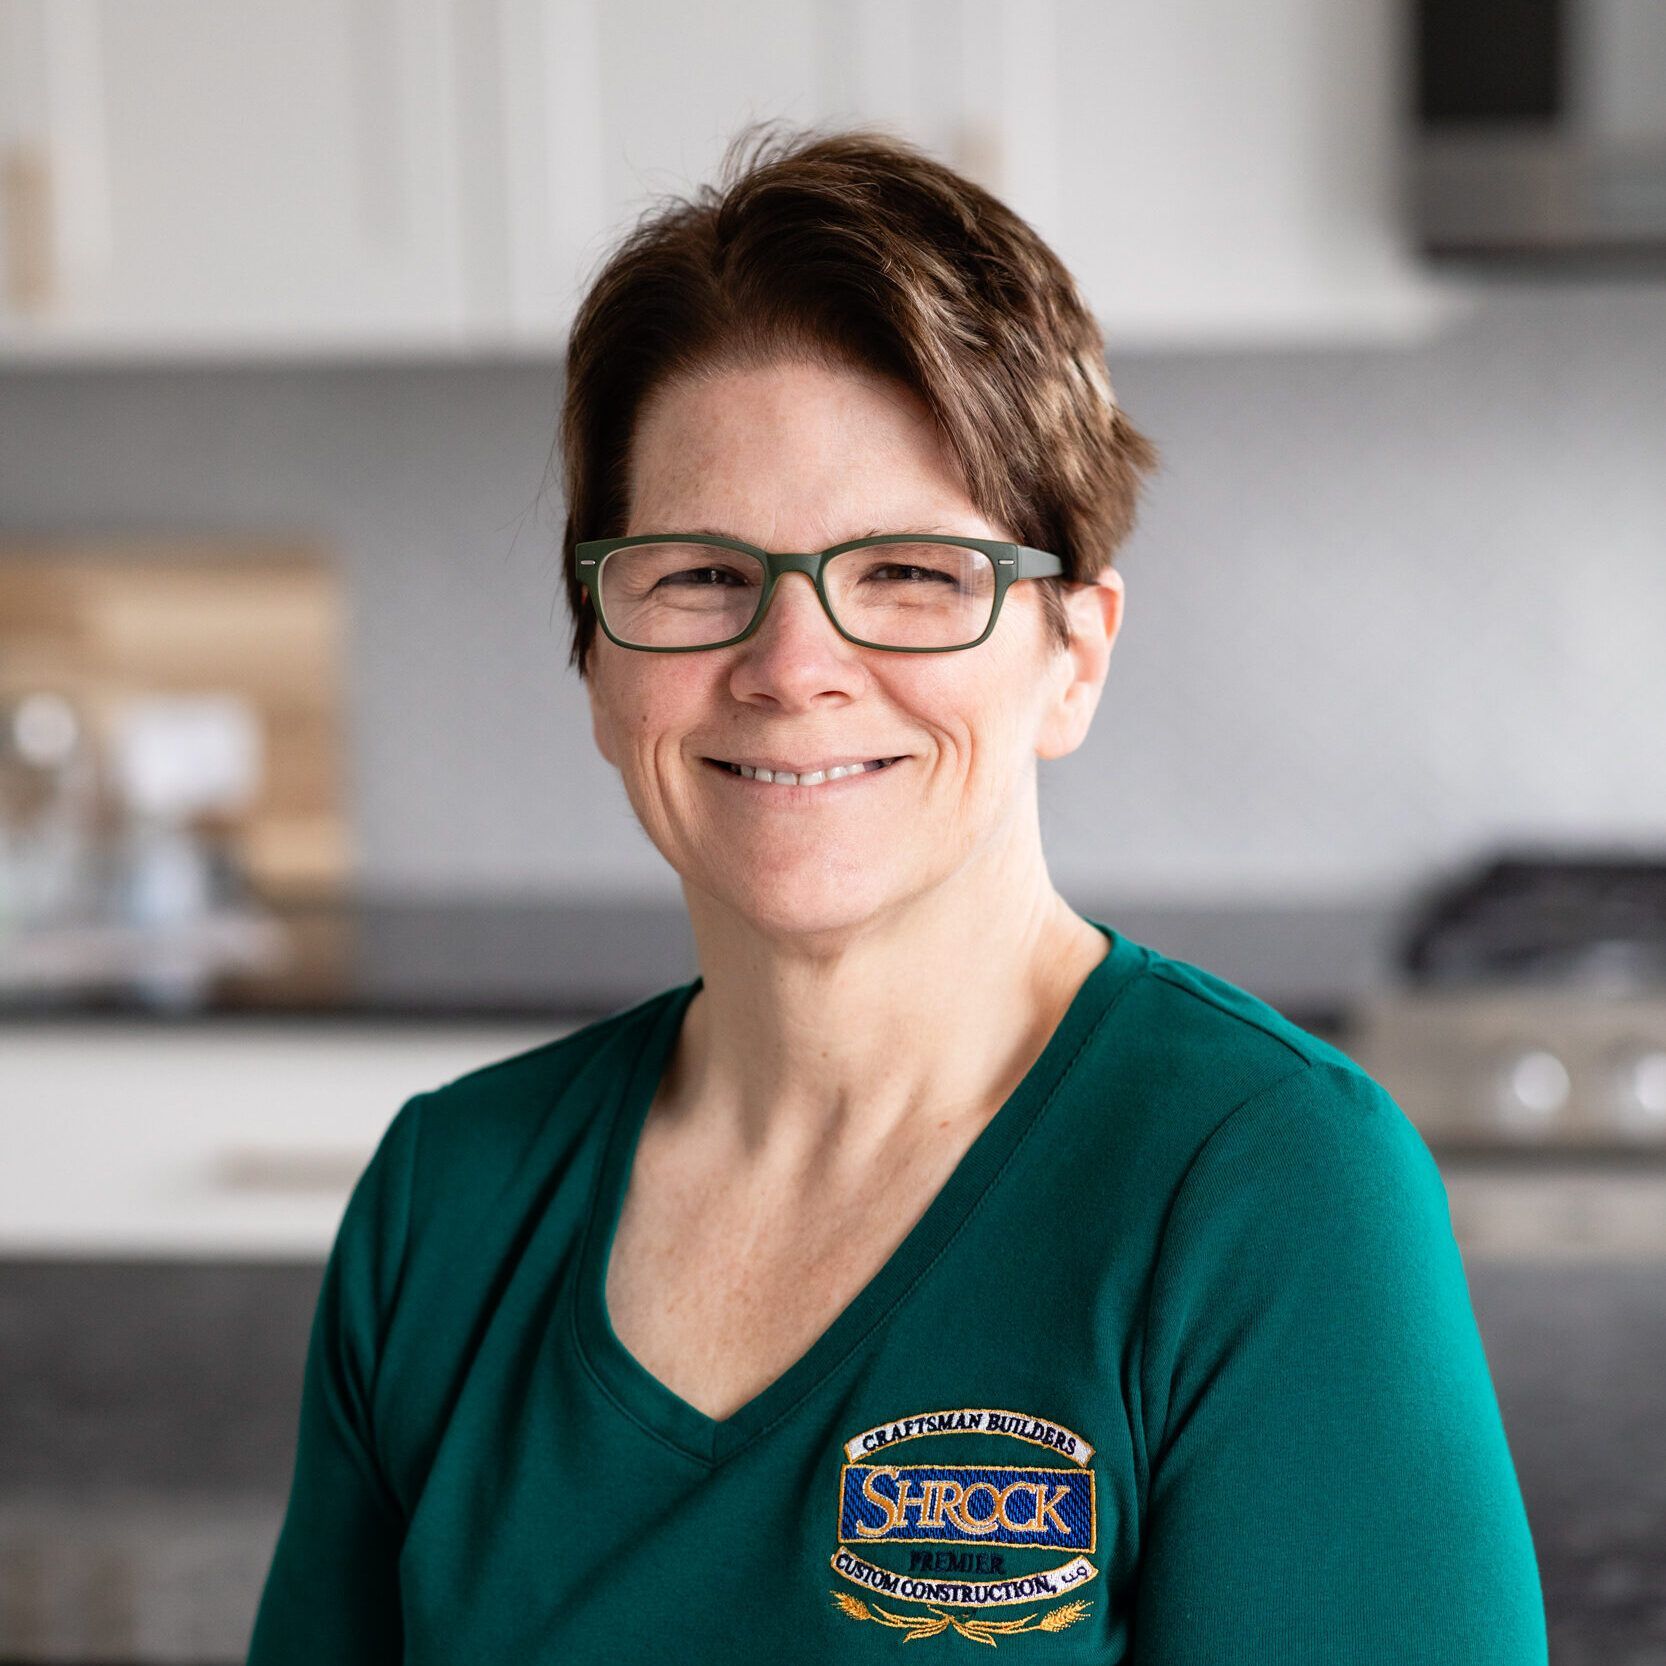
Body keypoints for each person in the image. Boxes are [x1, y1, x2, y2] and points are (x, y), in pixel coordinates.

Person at [247, 124, 1547, 1663]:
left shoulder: (1264, 1184)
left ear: (1074, 652)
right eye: (698, 575)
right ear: (597, 662)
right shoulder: (446, 1198)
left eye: (914, 575)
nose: (792, 666)